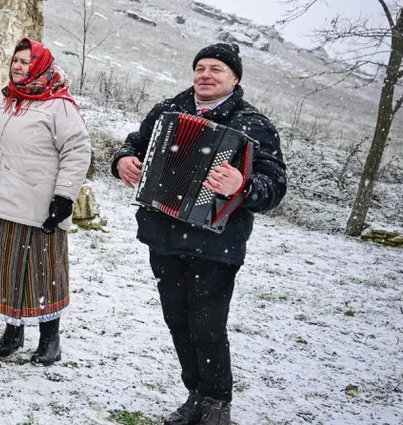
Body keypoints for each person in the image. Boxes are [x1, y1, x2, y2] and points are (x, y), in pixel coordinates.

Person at [112, 42, 286, 425]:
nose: (206, 75)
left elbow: (274, 185)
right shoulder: (167, 111)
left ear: (234, 78)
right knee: (177, 319)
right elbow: (133, 144)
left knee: (207, 323)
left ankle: (217, 401)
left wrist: (243, 184)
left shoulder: (252, 123)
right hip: (164, 235)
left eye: (217, 69)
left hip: (216, 242)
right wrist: (123, 160)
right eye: (201, 67)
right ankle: (195, 394)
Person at [0, 38, 91, 365]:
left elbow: (77, 152)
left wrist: (64, 196)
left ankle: (51, 340)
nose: (18, 66)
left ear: (40, 65)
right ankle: (13, 331)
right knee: (6, 272)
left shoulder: (58, 104)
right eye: (16, 61)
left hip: (38, 209)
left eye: (25, 61)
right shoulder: (5, 99)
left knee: (42, 274)